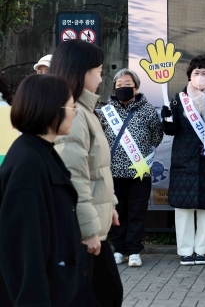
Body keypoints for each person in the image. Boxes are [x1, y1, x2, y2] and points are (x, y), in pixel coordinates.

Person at [0, 74, 94, 306]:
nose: (75, 112)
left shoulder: (40, 151)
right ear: (51, 109)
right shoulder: (28, 164)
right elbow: (25, 247)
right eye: (71, 106)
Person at [50, 39, 123, 307]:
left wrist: (111, 205)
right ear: (81, 72)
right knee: (101, 295)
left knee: (106, 292)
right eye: (99, 71)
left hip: (94, 224)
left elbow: (97, 171)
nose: (102, 79)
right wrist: (88, 230)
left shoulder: (85, 110)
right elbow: (75, 177)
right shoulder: (76, 114)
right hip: (85, 231)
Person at [161, 54, 205, 266]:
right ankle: (186, 251)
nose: (200, 76)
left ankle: (203, 250)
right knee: (183, 208)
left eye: (204, 73)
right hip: (184, 159)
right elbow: (171, 130)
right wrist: (167, 118)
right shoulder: (178, 99)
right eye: (196, 72)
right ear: (190, 74)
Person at [99, 68, 164, 268]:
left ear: (136, 87)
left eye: (128, 85)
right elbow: (100, 140)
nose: (123, 88)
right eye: (119, 85)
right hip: (113, 172)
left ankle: (134, 250)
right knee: (117, 211)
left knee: (137, 211)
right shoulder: (105, 112)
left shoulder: (147, 110)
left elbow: (157, 136)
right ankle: (119, 249)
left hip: (139, 172)